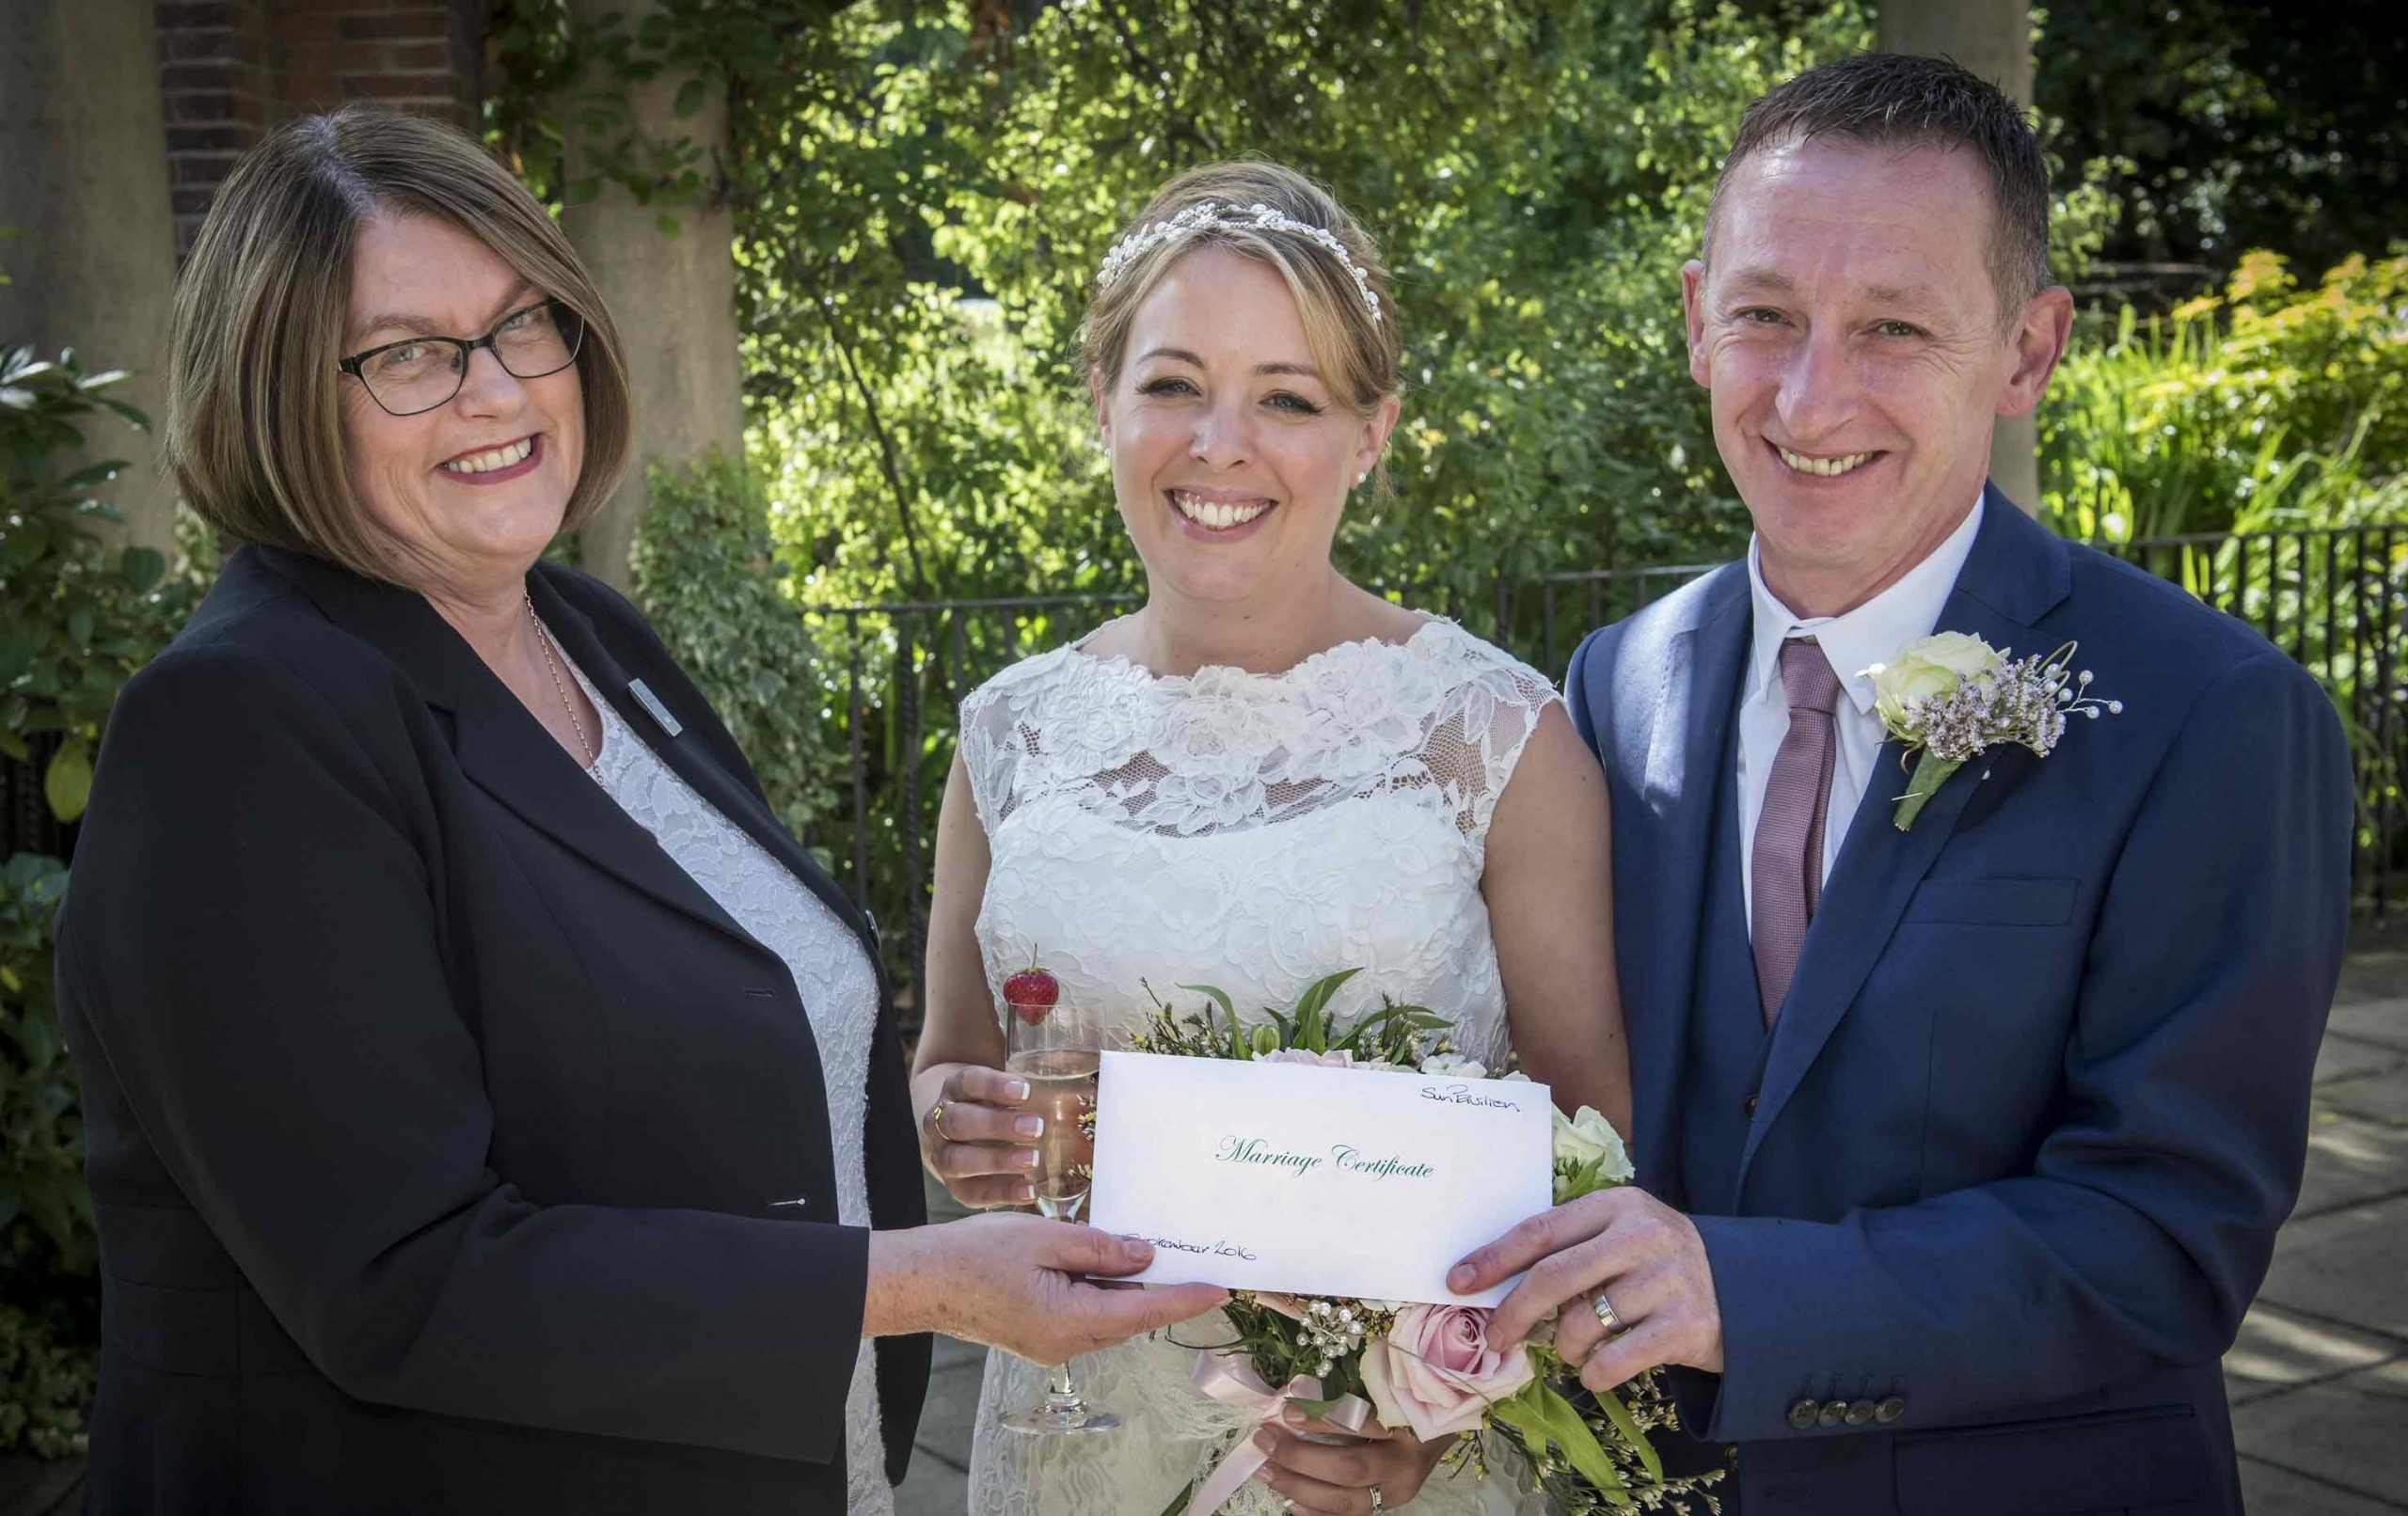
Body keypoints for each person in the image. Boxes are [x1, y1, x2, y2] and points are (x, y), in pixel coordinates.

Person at [53, 106, 1224, 1515]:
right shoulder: (241, 726)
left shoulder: (588, 633)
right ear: (278, 393)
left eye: (519, 326)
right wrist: (916, 1286)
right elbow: (405, 1282)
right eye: (408, 355)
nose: (493, 391)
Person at [1446, 54, 2355, 1516]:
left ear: (2028, 351)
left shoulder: (2216, 717)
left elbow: (2168, 1237)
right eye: (1765, 316)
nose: (1813, 392)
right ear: (1694, 321)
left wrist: (1738, 1291)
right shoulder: (1619, 677)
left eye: (1893, 327)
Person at [909, 161, 1633, 1516]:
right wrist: (956, 1127)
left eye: (1287, 399)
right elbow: (949, 1065)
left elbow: (1589, 1139)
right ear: (1104, 407)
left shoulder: (1492, 736)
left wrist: (1442, 1404)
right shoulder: (1010, 733)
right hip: (1077, 1442)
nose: (1218, 443)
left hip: (1388, 1468)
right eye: (1173, 385)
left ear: (1375, 434)